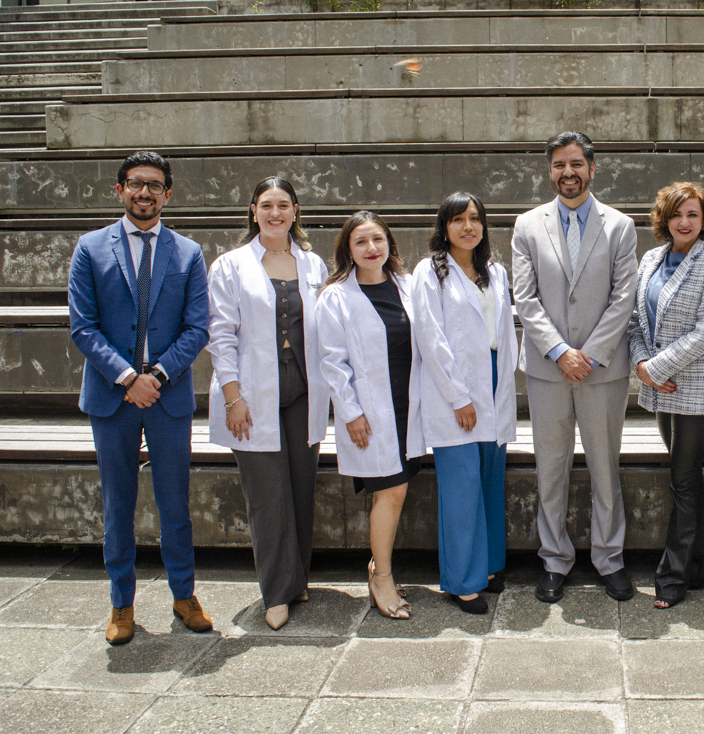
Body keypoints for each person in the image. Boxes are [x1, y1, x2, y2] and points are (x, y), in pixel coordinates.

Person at [67, 151, 211, 645]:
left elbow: (197, 328)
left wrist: (158, 375)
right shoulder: (90, 248)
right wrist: (130, 377)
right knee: (117, 505)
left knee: (175, 504)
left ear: (167, 194)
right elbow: (83, 327)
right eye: (134, 183)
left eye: (153, 185)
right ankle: (121, 603)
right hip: (113, 397)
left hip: (167, 396)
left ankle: (184, 595)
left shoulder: (187, 252)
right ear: (120, 190)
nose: (143, 192)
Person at [511, 131, 638, 604]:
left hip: (603, 371)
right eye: (560, 165)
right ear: (550, 171)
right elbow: (525, 298)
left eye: (576, 164)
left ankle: (610, 558)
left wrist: (590, 353)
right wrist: (560, 351)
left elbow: (624, 296)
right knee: (551, 469)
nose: (568, 173)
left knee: (605, 468)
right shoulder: (528, 225)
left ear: (591, 168)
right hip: (548, 370)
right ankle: (554, 559)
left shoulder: (620, 226)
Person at [206, 177, 329, 631]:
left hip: (303, 390)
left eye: (283, 205)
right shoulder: (231, 265)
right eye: (266, 205)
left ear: (296, 211)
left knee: (300, 488)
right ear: (253, 211)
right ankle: (276, 592)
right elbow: (220, 335)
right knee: (267, 496)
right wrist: (232, 398)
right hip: (252, 394)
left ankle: (297, 580)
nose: (275, 213)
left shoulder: (313, 264)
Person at [627, 182, 704, 609]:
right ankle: (701, 569)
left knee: (683, 478)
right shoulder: (651, 259)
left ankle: (672, 577)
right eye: (676, 214)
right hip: (660, 388)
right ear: (664, 218)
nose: (684, 222)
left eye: (692, 214)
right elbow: (635, 320)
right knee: (686, 477)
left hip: (694, 388)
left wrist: (653, 370)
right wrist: (641, 365)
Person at [411, 193, 518, 615]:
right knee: (462, 484)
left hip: (494, 381)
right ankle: (462, 580)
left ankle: (488, 567)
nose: (468, 226)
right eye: (457, 220)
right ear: (444, 227)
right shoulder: (429, 272)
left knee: (490, 479)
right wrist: (459, 397)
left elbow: (504, 332)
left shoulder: (495, 271)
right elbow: (431, 338)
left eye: (474, 218)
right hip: (452, 387)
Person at [316, 211, 421, 620]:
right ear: (348, 250)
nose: (371, 248)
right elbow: (332, 362)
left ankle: (379, 565)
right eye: (360, 241)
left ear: (389, 243)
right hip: (370, 411)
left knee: (397, 489)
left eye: (378, 239)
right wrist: (351, 413)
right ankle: (382, 576)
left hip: (408, 406)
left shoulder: (407, 286)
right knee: (390, 491)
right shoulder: (336, 297)